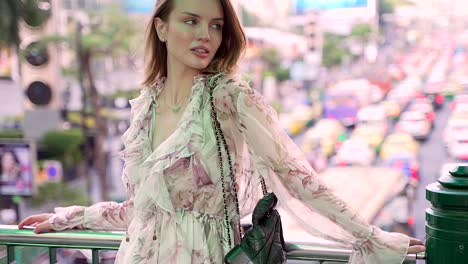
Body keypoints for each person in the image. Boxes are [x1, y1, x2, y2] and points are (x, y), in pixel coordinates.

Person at [19, 0, 426, 263]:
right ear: (161, 28)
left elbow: (295, 176)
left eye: (215, 25)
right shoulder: (146, 105)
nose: (205, 36)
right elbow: (145, 211)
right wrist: (70, 218)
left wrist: (367, 235)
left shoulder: (228, 97)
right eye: (191, 21)